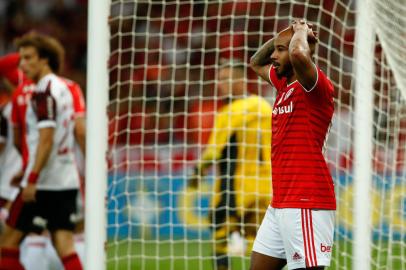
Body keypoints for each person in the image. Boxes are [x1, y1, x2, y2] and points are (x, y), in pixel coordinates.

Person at [249, 19, 336, 270]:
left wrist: (300, 32)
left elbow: (298, 52)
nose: (274, 55)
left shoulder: (315, 87)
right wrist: (282, 36)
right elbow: (256, 61)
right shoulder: (283, 85)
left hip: (306, 200)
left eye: (280, 50)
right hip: (280, 202)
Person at [0, 32, 83, 270]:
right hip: (65, 180)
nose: (22, 66)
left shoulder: (42, 93)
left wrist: (32, 176)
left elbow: (46, 139)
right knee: (64, 245)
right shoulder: (67, 88)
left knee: (7, 244)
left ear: (44, 60)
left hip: (41, 183)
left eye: (28, 58)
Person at [189, 59, 273, 270]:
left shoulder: (231, 111)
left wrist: (197, 174)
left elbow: (213, 152)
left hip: (235, 188)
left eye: (226, 78)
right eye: (219, 79)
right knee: (268, 245)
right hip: (267, 187)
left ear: (241, 80)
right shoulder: (263, 106)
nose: (221, 83)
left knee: (219, 234)